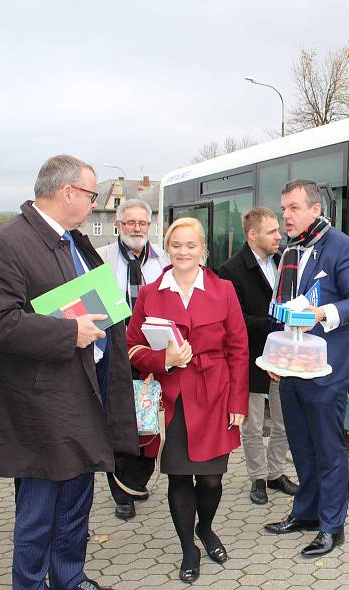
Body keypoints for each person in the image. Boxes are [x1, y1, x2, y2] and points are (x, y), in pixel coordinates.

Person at [0, 154, 138, 590]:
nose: (93, 202)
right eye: (90, 194)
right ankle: (28, 584)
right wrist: (67, 332)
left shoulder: (73, 240)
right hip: (42, 406)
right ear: (67, 193)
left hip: (85, 393)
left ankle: (69, 577)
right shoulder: (7, 244)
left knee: (76, 502)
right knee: (40, 510)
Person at [126, 217, 249, 583]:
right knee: (179, 477)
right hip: (172, 398)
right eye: (176, 245)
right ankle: (188, 549)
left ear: (203, 250)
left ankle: (206, 529)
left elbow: (239, 350)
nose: (183, 251)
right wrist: (164, 360)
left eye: (191, 245)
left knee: (211, 479)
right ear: (168, 248)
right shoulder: (151, 292)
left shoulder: (224, 289)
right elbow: (131, 348)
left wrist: (238, 403)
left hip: (215, 395)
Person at [263, 180, 349, 557]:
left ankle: (331, 526)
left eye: (293, 208)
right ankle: (306, 512)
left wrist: (322, 314)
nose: (286, 216)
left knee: (327, 449)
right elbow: (282, 308)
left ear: (315, 209)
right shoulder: (289, 251)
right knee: (301, 446)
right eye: (283, 209)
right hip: (292, 364)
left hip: (328, 366)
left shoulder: (344, 247)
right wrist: (275, 358)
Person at [217, 208, 298, 505]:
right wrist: (276, 321)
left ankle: (276, 473)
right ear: (253, 235)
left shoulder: (284, 261)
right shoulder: (230, 270)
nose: (279, 236)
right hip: (249, 357)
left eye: (279, 230)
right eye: (272, 232)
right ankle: (258, 477)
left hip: (281, 354)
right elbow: (234, 321)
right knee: (252, 425)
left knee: (283, 420)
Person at [97, 198, 170, 520]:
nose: (136, 229)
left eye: (142, 223)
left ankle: (137, 481)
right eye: (130, 223)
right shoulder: (101, 260)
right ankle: (120, 491)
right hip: (114, 353)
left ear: (150, 226)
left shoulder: (164, 260)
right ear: (118, 225)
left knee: (147, 418)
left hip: (151, 352)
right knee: (119, 421)